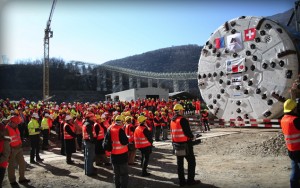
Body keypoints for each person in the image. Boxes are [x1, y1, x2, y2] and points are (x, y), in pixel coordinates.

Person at [170, 104, 200, 187]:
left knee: (180, 164)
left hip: (176, 144)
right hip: (186, 144)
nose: (183, 111)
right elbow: (187, 132)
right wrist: (193, 137)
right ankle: (190, 181)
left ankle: (182, 182)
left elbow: (172, 132)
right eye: (182, 110)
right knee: (191, 162)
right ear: (179, 111)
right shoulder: (183, 120)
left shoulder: (172, 120)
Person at [104, 115, 129, 188]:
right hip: (122, 155)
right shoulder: (120, 130)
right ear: (121, 122)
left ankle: (117, 186)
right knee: (124, 174)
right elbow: (124, 142)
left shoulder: (109, 128)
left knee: (116, 173)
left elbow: (106, 143)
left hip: (113, 155)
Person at [280, 99, 300, 188]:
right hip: (299, 150)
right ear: (293, 109)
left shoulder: (283, 119)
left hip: (291, 150)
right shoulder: (295, 120)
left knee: (295, 172)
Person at [5, 115, 30, 186]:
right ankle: (12, 181)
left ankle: (22, 178)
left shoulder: (15, 127)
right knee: (11, 166)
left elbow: (17, 137)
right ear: (11, 122)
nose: (17, 124)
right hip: (11, 150)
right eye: (16, 123)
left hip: (19, 148)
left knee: (22, 163)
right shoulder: (6, 129)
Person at [82, 112, 97, 176]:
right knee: (90, 157)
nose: (93, 118)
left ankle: (87, 170)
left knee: (87, 157)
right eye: (92, 117)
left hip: (86, 141)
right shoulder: (88, 124)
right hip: (89, 142)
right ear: (89, 117)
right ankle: (89, 172)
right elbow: (90, 135)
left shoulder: (85, 123)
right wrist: (93, 141)